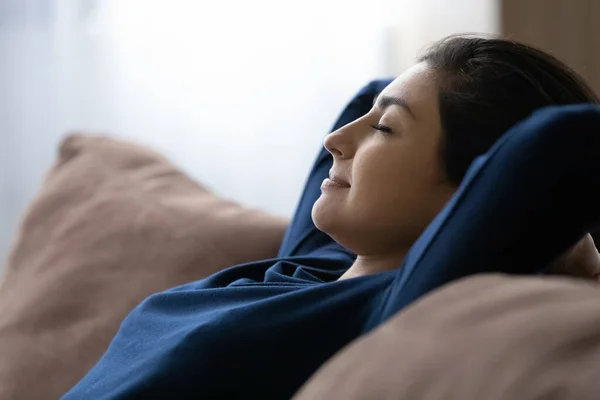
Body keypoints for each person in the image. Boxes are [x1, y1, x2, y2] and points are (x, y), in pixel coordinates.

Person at [62, 35, 600, 399]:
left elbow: (563, 144)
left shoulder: (391, 308)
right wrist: (405, 98)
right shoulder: (314, 267)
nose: (336, 141)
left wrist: (573, 245)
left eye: (384, 129)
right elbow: (370, 91)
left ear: (471, 187)